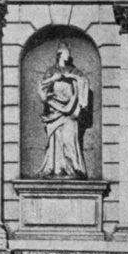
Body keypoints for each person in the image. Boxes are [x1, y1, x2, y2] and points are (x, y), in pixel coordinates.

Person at [37, 42, 90, 177]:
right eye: (67, 53)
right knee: (56, 140)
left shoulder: (73, 71)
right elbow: (42, 87)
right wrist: (53, 80)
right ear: (60, 54)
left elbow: (83, 80)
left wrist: (70, 77)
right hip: (55, 109)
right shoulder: (51, 71)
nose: (69, 56)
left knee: (69, 139)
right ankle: (56, 168)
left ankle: (73, 167)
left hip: (70, 110)